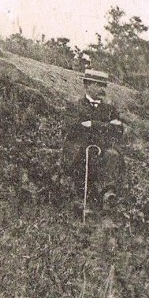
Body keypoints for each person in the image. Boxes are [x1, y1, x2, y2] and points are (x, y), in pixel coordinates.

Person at [62, 69, 126, 207]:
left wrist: (93, 124)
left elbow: (119, 130)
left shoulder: (109, 109)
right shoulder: (75, 106)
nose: (102, 89)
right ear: (87, 85)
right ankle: (84, 201)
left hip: (103, 148)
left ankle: (109, 193)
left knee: (113, 155)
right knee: (83, 161)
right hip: (81, 149)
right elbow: (73, 128)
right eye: (98, 85)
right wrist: (106, 125)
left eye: (103, 86)